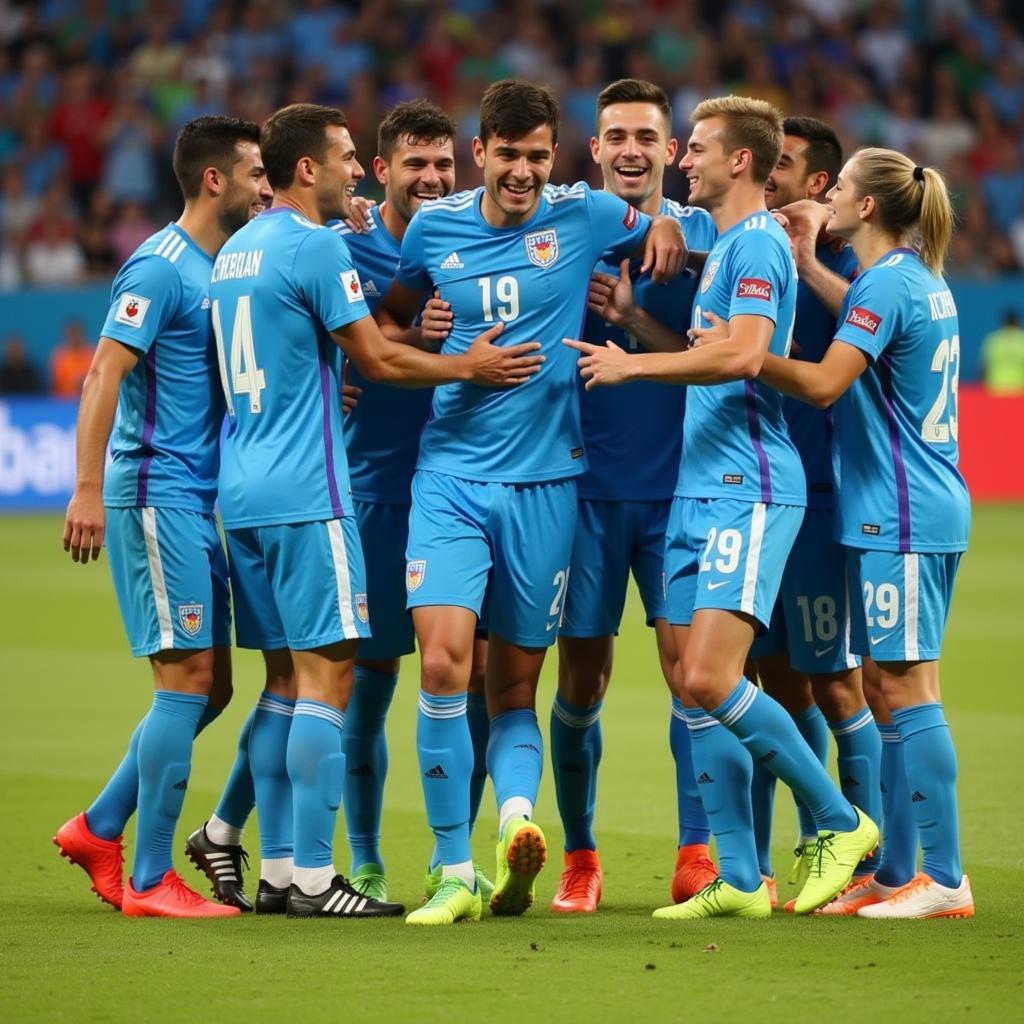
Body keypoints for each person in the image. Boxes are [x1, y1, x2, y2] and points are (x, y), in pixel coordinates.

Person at [210, 102, 542, 920]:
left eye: (439, 166)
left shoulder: (236, 251)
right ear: (315, 170)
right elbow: (378, 352)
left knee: (298, 683)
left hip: (261, 487)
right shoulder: (329, 243)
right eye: (354, 159)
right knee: (335, 681)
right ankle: (328, 873)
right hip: (328, 490)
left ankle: (283, 862)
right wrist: (461, 362)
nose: (361, 172)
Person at [378, 78, 684, 925]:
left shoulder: (583, 217)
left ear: (556, 158)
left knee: (515, 689)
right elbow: (390, 322)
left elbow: (674, 224)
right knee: (442, 664)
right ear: (480, 154)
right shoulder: (435, 228)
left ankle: (516, 821)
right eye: (508, 155)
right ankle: (450, 870)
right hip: (449, 480)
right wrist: (431, 347)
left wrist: (663, 220)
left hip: (551, 487)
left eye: (537, 157)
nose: (522, 172)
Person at [566, 95, 878, 920]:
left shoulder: (758, 249)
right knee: (695, 681)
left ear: (740, 161)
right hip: (699, 487)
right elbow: (710, 350)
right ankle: (739, 876)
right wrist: (642, 327)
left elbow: (744, 354)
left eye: (696, 148)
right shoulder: (729, 246)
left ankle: (842, 823)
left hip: (748, 486)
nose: (684, 160)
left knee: (708, 676)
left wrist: (631, 367)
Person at [54, 116, 273, 918]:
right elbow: (102, 376)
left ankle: (99, 827)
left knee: (208, 689)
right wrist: (85, 488)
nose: (265, 184)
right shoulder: (160, 267)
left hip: (194, 495)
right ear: (216, 180)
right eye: (255, 172)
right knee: (186, 685)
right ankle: (149, 879)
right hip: (154, 491)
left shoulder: (224, 267)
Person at [758, 148, 974, 919]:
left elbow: (822, 383)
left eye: (841, 186)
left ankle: (944, 880)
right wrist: (810, 260)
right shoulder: (911, 278)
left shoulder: (886, 285)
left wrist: (751, 353)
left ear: (870, 207)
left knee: (907, 689)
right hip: (913, 506)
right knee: (887, 688)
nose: (832, 195)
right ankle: (896, 875)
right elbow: (862, 310)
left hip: (904, 513)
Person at [549, 78, 717, 914]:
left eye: (647, 138)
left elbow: (714, 352)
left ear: (672, 153)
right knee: (582, 681)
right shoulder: (565, 220)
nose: (630, 150)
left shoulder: (708, 235)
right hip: (578, 495)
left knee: (694, 678)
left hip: (677, 492)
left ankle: (695, 851)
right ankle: (580, 856)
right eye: (616, 135)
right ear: (594, 149)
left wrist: (634, 314)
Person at [751, 116, 882, 912]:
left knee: (837, 683)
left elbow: (842, 363)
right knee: (773, 682)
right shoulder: (759, 250)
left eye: (785, 166)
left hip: (824, 499)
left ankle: (868, 860)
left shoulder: (850, 271)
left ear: (822, 186)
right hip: (763, 494)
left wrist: (806, 256)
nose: (769, 175)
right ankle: (805, 844)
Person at [981, 310, 1024, 395]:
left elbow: (983, 368)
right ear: (1017, 322)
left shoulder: (993, 339)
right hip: (1019, 390)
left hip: (995, 389)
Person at [50, 320, 96, 399]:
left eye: (77, 333)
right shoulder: (60, 356)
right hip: (64, 403)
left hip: (90, 399)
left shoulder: (94, 353)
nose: (75, 338)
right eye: (72, 334)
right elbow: (57, 383)